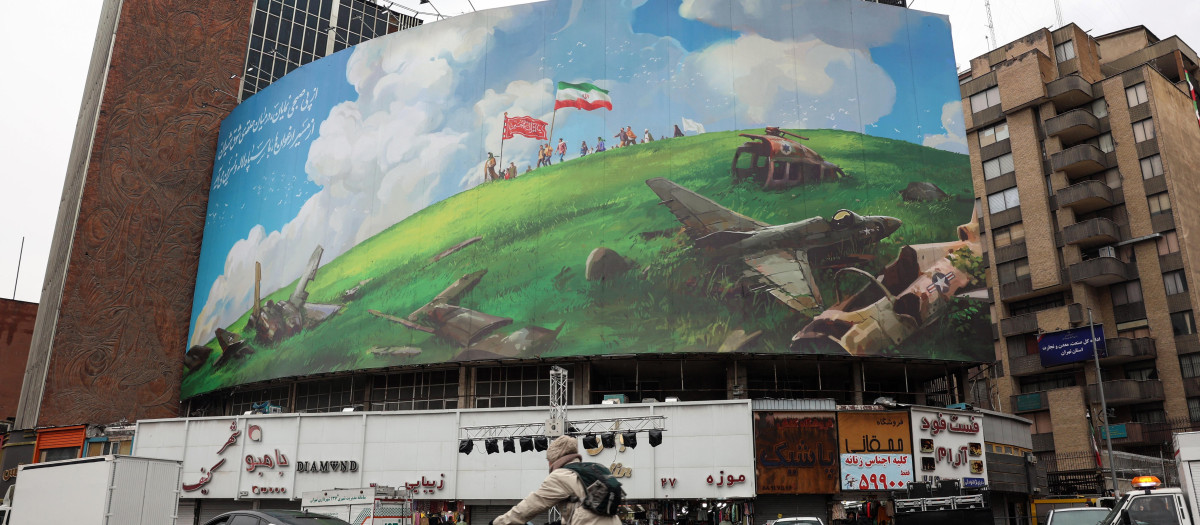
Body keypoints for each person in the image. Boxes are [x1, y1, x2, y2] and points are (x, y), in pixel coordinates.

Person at [492, 435, 620, 525]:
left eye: (549, 461)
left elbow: (533, 504)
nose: (548, 465)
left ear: (555, 459)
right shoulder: (591, 470)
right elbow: (582, 508)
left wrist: (498, 522)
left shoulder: (560, 475)